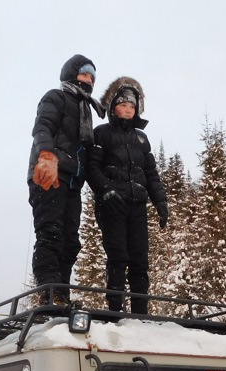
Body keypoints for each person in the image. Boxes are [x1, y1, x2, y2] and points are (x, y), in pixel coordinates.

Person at [86, 77, 168, 315]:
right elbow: (92, 167)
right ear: (113, 107)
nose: (128, 110)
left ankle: (140, 313)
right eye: (123, 105)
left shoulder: (141, 138)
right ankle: (115, 312)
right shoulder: (101, 133)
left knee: (140, 261)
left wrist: (161, 201)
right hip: (113, 205)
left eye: (132, 106)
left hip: (138, 206)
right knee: (118, 257)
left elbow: (151, 173)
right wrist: (106, 190)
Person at [28, 54, 105, 305]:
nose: (89, 79)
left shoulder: (86, 111)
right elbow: (42, 127)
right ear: (71, 74)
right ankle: (48, 294)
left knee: (71, 241)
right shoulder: (56, 97)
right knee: (50, 233)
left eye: (93, 76)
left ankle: (61, 293)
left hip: (73, 181)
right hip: (48, 173)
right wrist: (46, 154)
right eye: (85, 73)